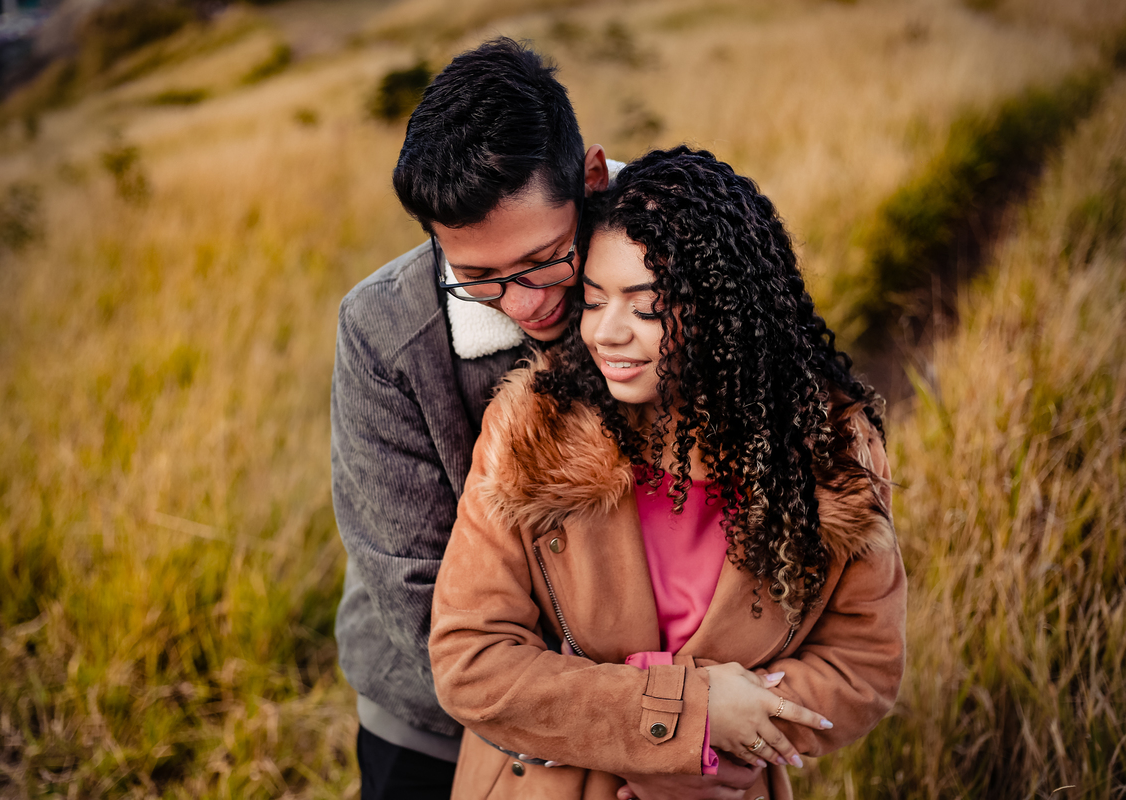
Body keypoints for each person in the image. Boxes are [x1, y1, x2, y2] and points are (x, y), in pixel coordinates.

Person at [331, 40, 760, 800]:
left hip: (684, 723)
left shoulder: (692, 265)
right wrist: (636, 727)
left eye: (544, 260)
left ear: (591, 179)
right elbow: (418, 592)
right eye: (479, 279)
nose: (527, 304)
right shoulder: (384, 334)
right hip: (435, 724)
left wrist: (676, 726)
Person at [429, 146, 908, 800]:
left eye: (646, 306)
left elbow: (865, 665)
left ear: (723, 309)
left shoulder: (829, 457)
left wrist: (726, 747)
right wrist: (688, 718)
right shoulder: (533, 432)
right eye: (594, 301)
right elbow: (470, 662)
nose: (608, 332)